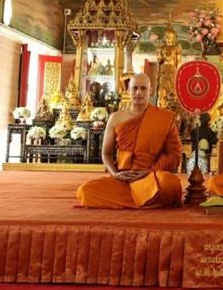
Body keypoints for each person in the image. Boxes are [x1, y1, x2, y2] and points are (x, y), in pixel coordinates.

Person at [76, 73, 182, 208]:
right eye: (134, 88)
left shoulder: (164, 118)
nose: (138, 92)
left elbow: (175, 155)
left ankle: (137, 198)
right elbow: (106, 154)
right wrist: (115, 174)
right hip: (124, 178)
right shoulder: (115, 118)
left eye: (143, 88)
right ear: (128, 90)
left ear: (151, 91)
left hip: (150, 177)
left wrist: (150, 171)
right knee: (85, 191)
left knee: (170, 183)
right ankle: (145, 199)